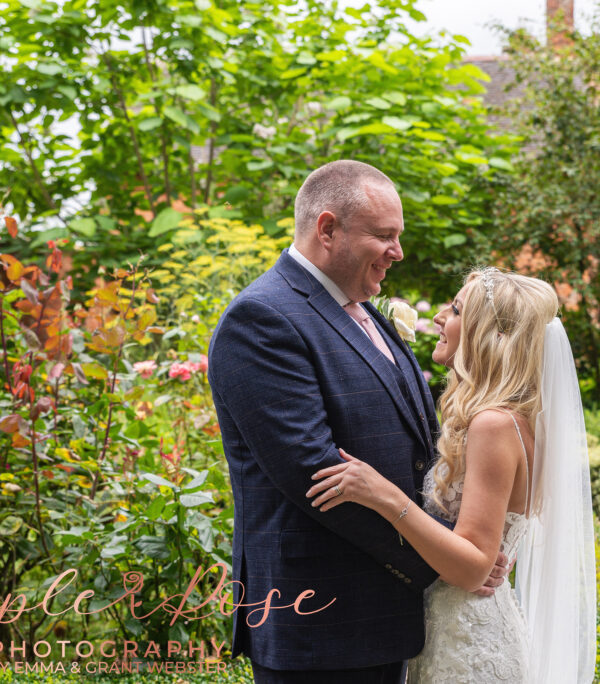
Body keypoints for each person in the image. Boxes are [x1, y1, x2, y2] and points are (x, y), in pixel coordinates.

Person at [207, 160, 507, 683]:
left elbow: (417, 442)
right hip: (322, 622)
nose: (399, 252)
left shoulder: (366, 310)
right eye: (384, 236)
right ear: (328, 229)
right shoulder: (262, 319)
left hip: (387, 617)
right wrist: (446, 565)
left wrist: (462, 547)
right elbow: (318, 477)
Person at [307, 267, 598, 683]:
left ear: (491, 335)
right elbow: (488, 542)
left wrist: (383, 494)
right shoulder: (525, 422)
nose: (441, 317)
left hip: (467, 648)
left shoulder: (493, 425)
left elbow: (472, 568)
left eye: (457, 310)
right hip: (467, 628)